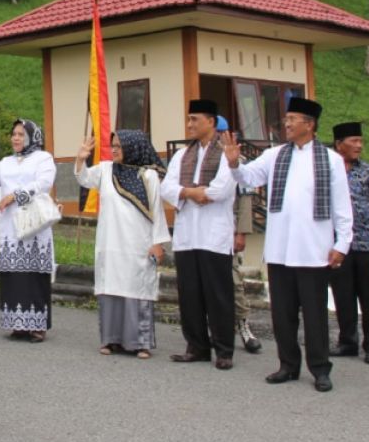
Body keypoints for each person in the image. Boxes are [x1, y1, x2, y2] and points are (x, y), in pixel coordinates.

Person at [223, 97, 353, 393]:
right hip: (281, 250)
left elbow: (342, 208)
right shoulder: (275, 155)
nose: (287, 124)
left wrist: (342, 243)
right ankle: (288, 365)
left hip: (314, 251)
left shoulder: (330, 160)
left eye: (293, 119)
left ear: (310, 124)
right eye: (287, 118)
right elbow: (248, 176)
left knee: (315, 315)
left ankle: (320, 369)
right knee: (282, 314)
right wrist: (233, 164)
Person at [76, 129, 170, 359]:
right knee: (111, 288)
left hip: (138, 244)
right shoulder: (106, 170)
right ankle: (111, 340)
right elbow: (84, 178)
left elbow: (157, 211)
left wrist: (158, 243)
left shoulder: (148, 176)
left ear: (133, 147)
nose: (114, 150)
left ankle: (140, 343)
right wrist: (81, 158)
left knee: (136, 289)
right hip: (110, 242)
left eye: (119, 146)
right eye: (113, 146)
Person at [161, 100, 238, 369]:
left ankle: (224, 350)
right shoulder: (182, 155)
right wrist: (192, 192)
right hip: (187, 235)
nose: (190, 124)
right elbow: (166, 188)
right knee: (189, 294)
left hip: (214, 235)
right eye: (189, 119)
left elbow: (221, 190)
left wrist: (187, 191)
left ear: (211, 122)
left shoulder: (227, 153)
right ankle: (196, 346)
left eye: (195, 119)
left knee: (218, 294)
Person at [0, 119, 56, 342]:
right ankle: (17, 324)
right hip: (11, 227)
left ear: (31, 137)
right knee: (14, 277)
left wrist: (15, 195)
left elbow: (43, 184)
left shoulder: (43, 158)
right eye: (14, 134)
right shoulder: (6, 162)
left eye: (21, 134)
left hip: (34, 226)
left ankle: (37, 326)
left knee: (34, 277)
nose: (16, 138)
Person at [329, 121, 369, 364]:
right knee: (343, 295)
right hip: (339, 245)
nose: (359, 146)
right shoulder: (329, 170)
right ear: (339, 144)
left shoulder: (368, 172)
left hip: (365, 244)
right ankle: (347, 342)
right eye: (354, 141)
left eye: (361, 141)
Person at [220, 115, 263, 354]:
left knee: (234, 281)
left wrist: (241, 232)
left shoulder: (239, 162)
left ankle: (243, 326)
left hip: (230, 228)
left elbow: (245, 200)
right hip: (206, 232)